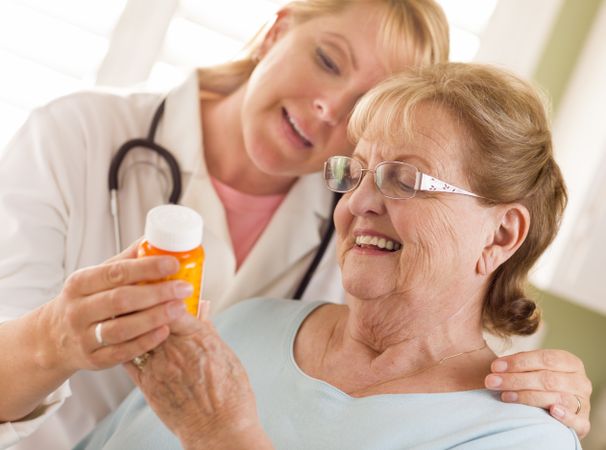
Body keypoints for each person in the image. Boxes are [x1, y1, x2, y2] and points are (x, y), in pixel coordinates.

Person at [0, 1, 591, 449]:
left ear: (502, 235)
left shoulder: (512, 434)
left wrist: (218, 430)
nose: (330, 108)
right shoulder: (249, 320)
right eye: (356, 173)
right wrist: (56, 337)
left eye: (404, 178)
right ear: (278, 29)